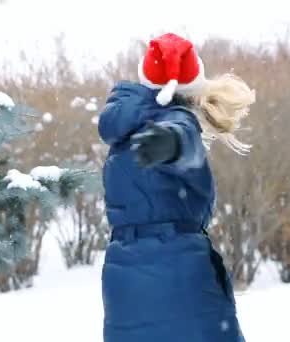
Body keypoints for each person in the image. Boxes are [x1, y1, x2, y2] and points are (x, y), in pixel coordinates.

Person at [99, 33, 255, 342]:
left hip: (123, 274)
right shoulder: (179, 121)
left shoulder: (123, 126)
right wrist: (170, 143)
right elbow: (183, 139)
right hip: (179, 268)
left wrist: (169, 143)